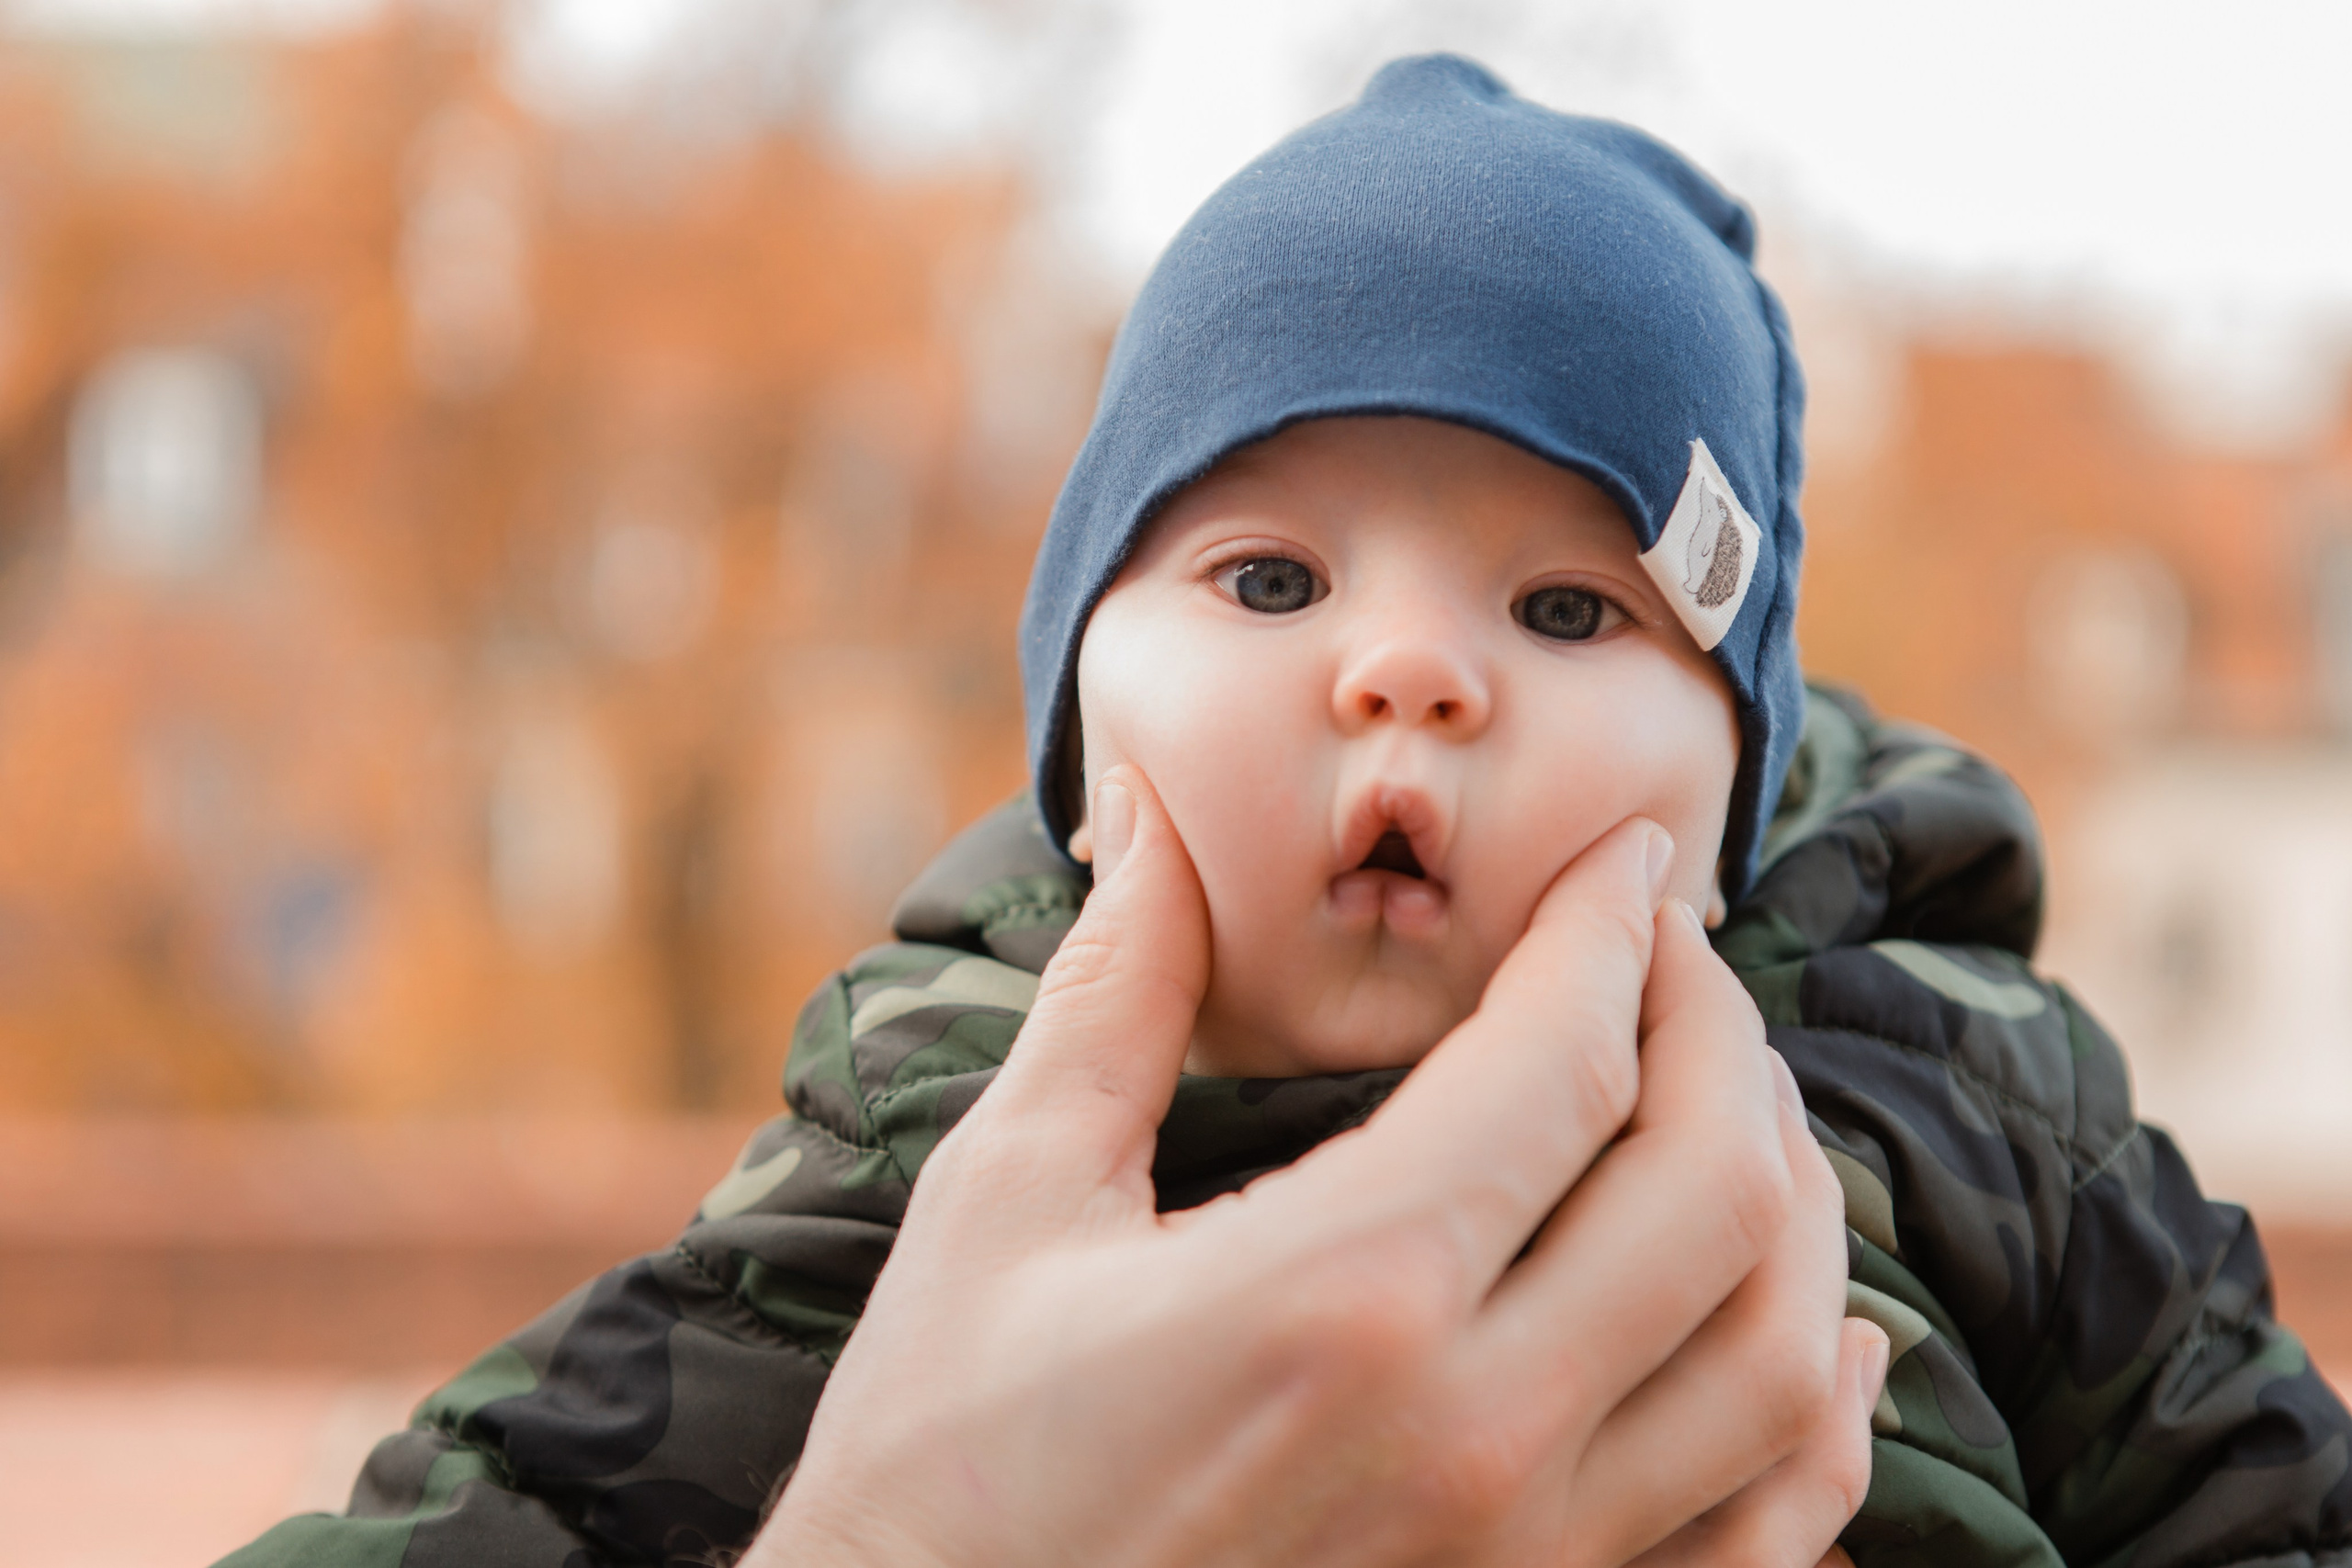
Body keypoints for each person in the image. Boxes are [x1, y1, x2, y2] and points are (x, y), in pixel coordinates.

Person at [222, 54, 2352, 1568]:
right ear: (1078, 730)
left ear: (1736, 784)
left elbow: (2256, 1494)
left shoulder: (1956, 1083)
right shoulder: (929, 1136)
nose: (1405, 671)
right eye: (1266, 581)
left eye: (1560, 602)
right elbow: (519, 1496)